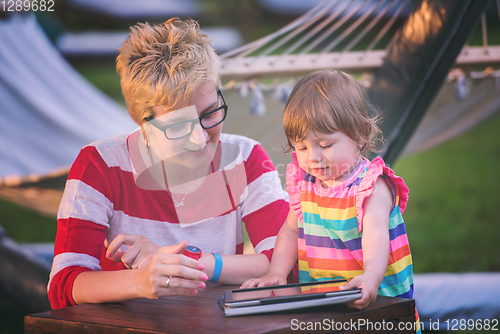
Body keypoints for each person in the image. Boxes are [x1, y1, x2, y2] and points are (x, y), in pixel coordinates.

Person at [48, 18, 290, 310]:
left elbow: (285, 266)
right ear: (143, 123)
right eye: (179, 127)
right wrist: (141, 281)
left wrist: (187, 260)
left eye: (211, 113)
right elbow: (64, 286)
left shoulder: (246, 157)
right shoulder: (100, 165)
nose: (201, 138)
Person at [241, 69, 420, 332]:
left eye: (324, 145)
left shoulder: (371, 185)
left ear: (359, 135)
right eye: (301, 147)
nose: (313, 157)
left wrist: (370, 276)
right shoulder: (306, 184)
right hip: (325, 305)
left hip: (378, 306)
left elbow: (376, 236)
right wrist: (276, 273)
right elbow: (291, 230)